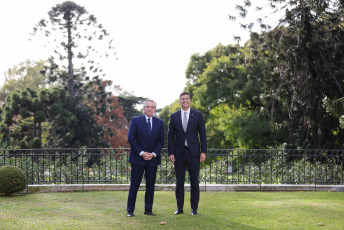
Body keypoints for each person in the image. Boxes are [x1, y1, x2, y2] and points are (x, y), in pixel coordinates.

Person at [167, 92, 207, 216]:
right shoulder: (174, 116)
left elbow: (203, 135)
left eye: (187, 99)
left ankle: (194, 209)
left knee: (194, 181)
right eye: (182, 99)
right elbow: (170, 136)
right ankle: (179, 208)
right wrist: (170, 152)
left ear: (190, 100)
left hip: (194, 153)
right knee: (179, 182)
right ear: (179, 101)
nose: (185, 101)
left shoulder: (198, 115)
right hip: (179, 153)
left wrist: (203, 151)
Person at [126, 99, 165, 217]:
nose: (150, 109)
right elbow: (131, 139)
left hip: (153, 160)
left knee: (150, 186)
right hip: (138, 159)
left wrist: (153, 154)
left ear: (155, 109)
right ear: (143, 108)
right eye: (148, 107)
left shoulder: (159, 122)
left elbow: (161, 141)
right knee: (134, 185)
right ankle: (130, 210)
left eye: (152, 107)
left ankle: (148, 210)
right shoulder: (135, 120)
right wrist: (141, 153)